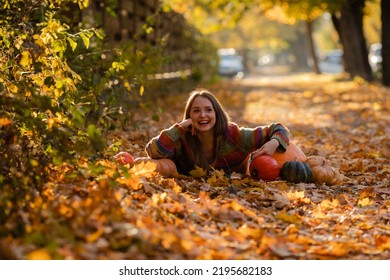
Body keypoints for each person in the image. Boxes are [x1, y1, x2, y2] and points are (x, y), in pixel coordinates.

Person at [145, 88, 290, 175]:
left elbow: (278, 128)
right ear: (189, 116)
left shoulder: (234, 136)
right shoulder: (182, 139)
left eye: (208, 110)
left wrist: (274, 142)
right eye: (196, 111)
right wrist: (180, 127)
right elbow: (152, 152)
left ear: (216, 114)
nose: (203, 115)